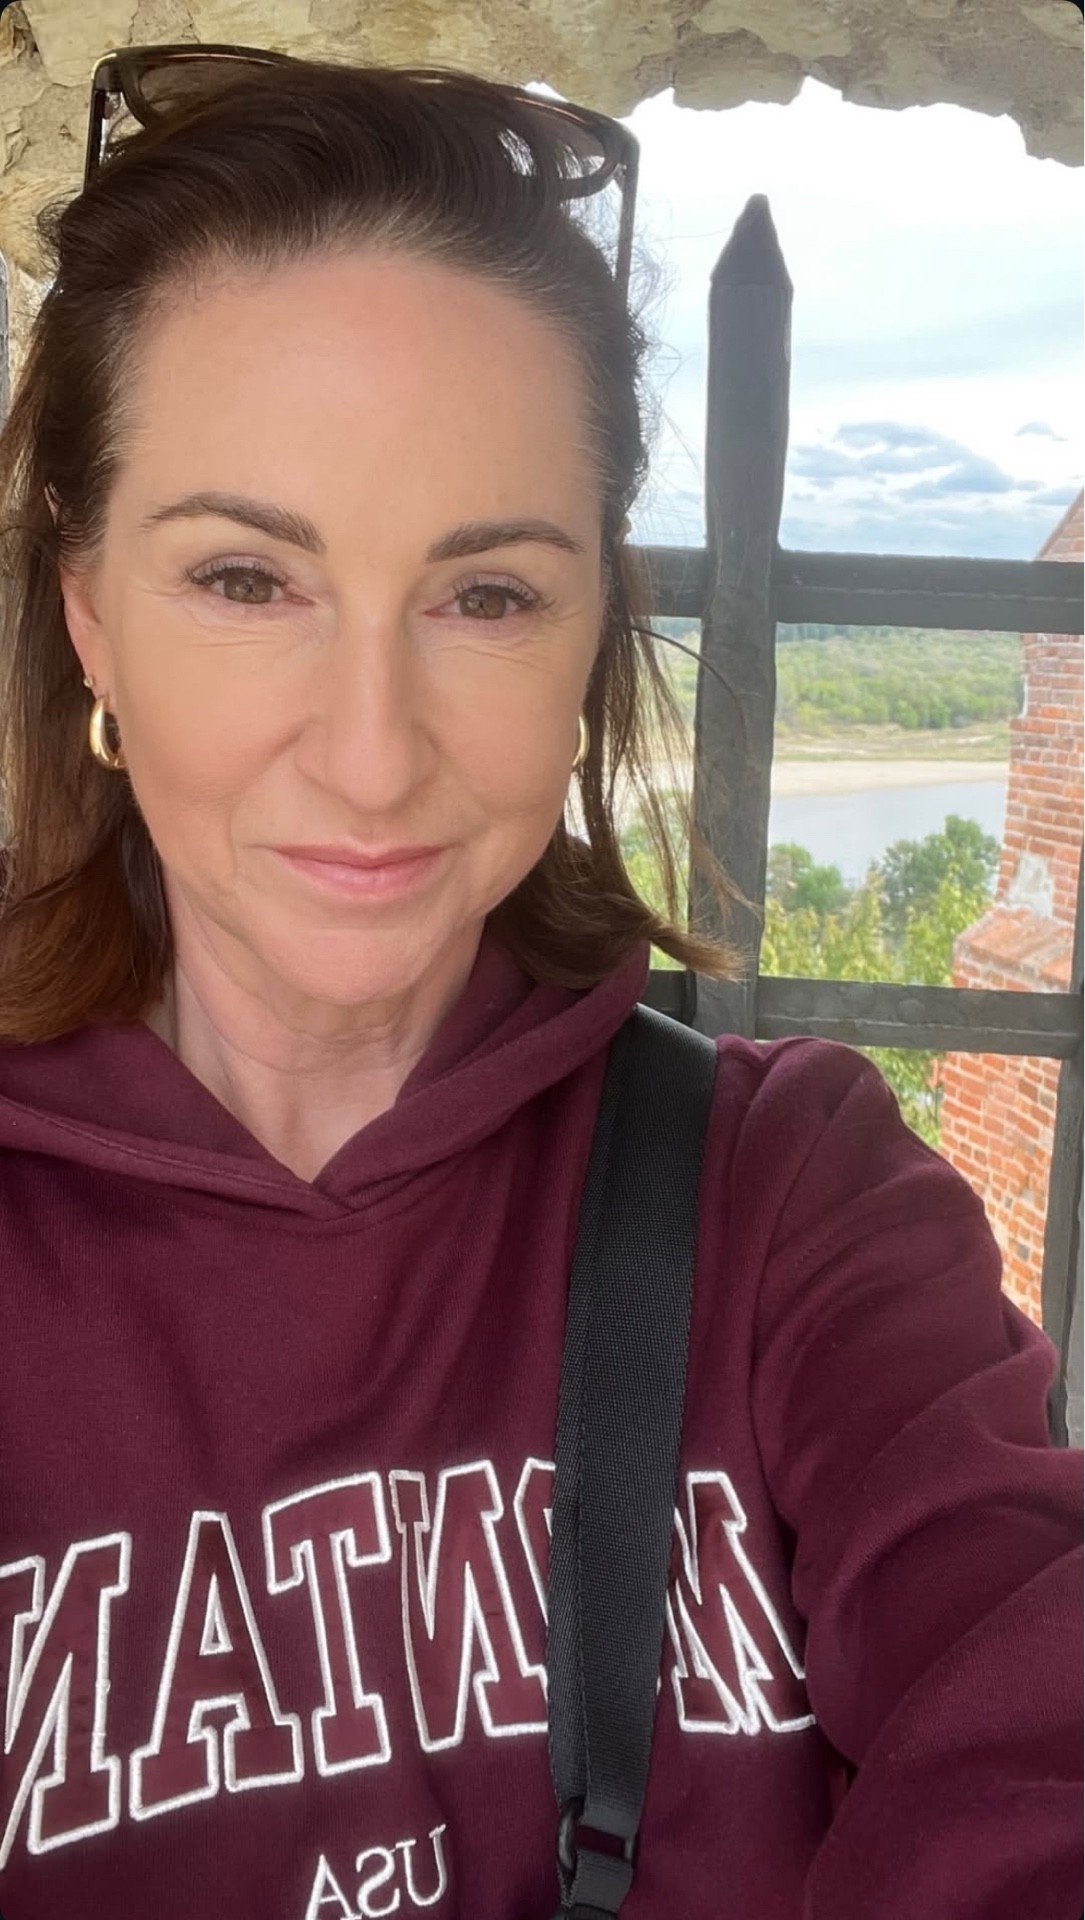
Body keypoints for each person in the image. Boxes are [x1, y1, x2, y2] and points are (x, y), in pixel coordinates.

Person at [0, 46, 1079, 1920]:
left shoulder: (788, 1199)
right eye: (245, 580)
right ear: (89, 612)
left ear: (586, 638)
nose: (369, 754)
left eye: (484, 595)